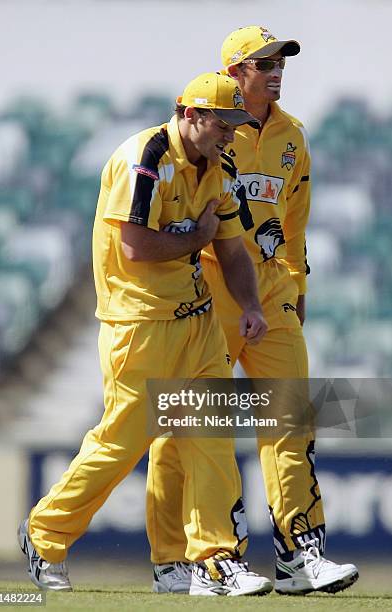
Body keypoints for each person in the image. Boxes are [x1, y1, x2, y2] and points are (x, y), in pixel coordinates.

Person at [17, 71, 276, 597]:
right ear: (192, 115)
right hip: (138, 325)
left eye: (237, 126)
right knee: (120, 445)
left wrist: (249, 303)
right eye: (224, 125)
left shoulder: (219, 166)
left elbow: (229, 247)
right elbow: (135, 246)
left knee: (211, 442)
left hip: (197, 322)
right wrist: (196, 236)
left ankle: (214, 561)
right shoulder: (145, 159)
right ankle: (44, 536)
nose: (232, 136)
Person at [147, 26, 359, 596]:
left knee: (291, 422)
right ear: (236, 70)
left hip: (273, 298)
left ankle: (299, 556)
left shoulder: (295, 136)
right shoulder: (213, 125)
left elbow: (294, 223)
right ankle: (179, 560)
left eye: (281, 62)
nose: (277, 71)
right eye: (264, 63)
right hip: (210, 297)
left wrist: (295, 286)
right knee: (185, 429)